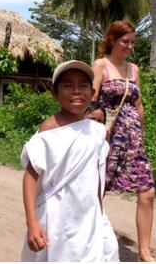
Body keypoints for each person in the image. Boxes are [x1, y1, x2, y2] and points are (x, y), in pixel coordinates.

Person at [21, 60, 119, 262]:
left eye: (82, 85)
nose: (76, 91)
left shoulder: (98, 131)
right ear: (54, 93)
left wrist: (99, 215)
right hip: (55, 217)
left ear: (92, 93)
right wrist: (32, 222)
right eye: (67, 85)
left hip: (88, 217)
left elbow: (97, 177)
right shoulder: (49, 130)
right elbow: (30, 177)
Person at [92, 20, 156, 262]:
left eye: (133, 42)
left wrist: (142, 135)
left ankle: (144, 252)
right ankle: (89, 239)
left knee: (147, 192)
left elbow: (138, 106)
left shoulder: (134, 69)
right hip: (108, 139)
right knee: (98, 191)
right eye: (125, 41)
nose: (130, 46)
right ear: (112, 40)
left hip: (133, 141)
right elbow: (92, 100)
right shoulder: (101, 65)